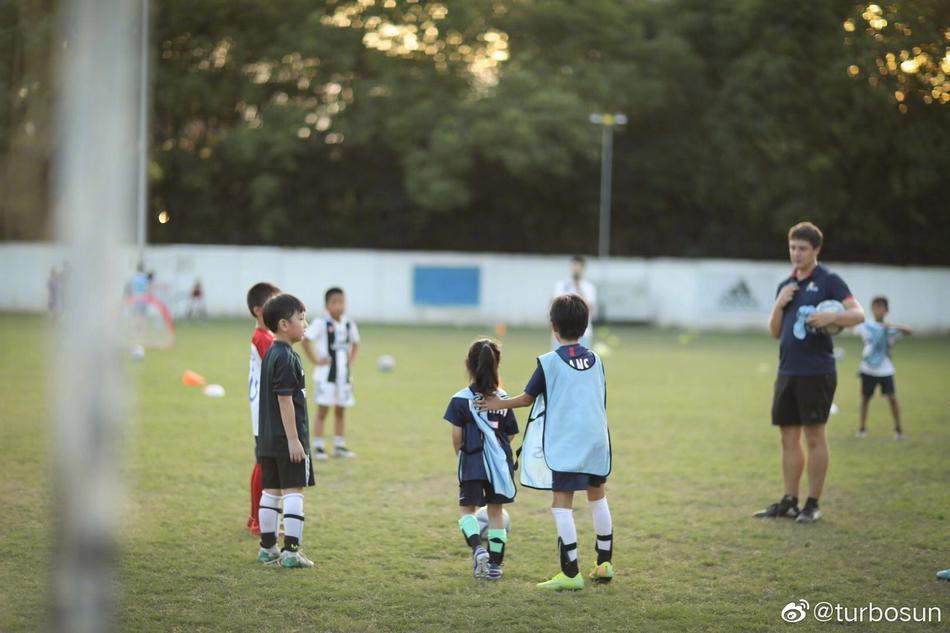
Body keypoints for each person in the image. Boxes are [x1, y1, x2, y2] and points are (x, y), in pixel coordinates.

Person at [478, 294, 613, 591]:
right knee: (597, 497)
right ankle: (604, 563)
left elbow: (527, 399)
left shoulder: (549, 362)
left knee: (562, 504)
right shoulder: (596, 359)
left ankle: (570, 573)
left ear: (554, 327)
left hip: (568, 445)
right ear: (585, 325)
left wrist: (494, 404)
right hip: (597, 441)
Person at [755, 222, 865, 524]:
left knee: (815, 436)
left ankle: (812, 503)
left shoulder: (829, 280)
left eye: (802, 248)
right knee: (787, 437)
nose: (796, 254)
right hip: (787, 370)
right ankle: (790, 500)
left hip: (817, 372)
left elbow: (859, 314)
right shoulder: (786, 285)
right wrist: (779, 304)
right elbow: (775, 331)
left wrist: (834, 316)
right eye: (792, 248)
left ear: (816, 250)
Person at [443, 338, 518, 580]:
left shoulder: (460, 399)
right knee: (496, 513)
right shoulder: (503, 399)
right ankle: (495, 565)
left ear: (468, 364)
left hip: (473, 462)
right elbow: (511, 434)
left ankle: (478, 550)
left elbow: (457, 436)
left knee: (467, 510)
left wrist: (461, 456)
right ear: (497, 366)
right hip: (499, 466)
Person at [256, 293, 315, 568]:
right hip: (287, 439)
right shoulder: (287, 358)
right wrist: (294, 440)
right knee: (293, 492)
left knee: (271, 492)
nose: (306, 324)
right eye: (301, 319)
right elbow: (284, 399)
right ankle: (291, 552)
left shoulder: (270, 354)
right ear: (283, 324)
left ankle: (268, 548)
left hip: (267, 439)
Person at [302, 287, 360, 459]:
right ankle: (319, 446)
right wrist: (314, 360)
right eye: (334, 303)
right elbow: (305, 339)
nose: (339, 306)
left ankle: (339, 446)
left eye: (341, 302)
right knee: (322, 410)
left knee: (341, 409)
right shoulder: (321, 322)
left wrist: (351, 359)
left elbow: (356, 342)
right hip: (325, 375)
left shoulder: (349, 323)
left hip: (344, 375)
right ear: (327, 305)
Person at [245, 282, 281, 535]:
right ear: (259, 310)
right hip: (265, 412)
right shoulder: (264, 339)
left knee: (261, 463)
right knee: (264, 465)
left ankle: (253, 517)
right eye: (272, 303)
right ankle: (258, 520)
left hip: (261, 411)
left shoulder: (263, 337)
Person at [855, 296, 911, 440]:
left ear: (886, 310)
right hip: (867, 369)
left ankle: (898, 429)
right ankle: (862, 429)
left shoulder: (890, 329)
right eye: (875, 307)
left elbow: (908, 331)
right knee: (865, 399)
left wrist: (893, 327)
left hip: (885, 369)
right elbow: (853, 323)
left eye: (881, 307)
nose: (878, 310)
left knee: (892, 398)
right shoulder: (866, 326)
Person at [552, 255, 597, 349]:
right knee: (558, 361)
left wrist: (578, 287)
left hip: (583, 333)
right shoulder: (562, 285)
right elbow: (555, 306)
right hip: (561, 332)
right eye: (573, 266)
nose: (575, 270)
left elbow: (590, 308)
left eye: (578, 267)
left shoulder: (589, 287)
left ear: (583, 269)